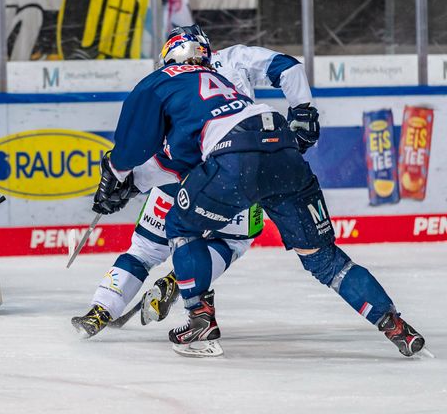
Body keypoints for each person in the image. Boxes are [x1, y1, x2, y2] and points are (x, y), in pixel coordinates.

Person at [86, 26, 425, 357]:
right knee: (323, 259)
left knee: (180, 225)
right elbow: (287, 67)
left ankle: (199, 315)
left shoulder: (160, 81)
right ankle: (394, 324)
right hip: (281, 145)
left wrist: (118, 179)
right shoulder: (222, 78)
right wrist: (303, 111)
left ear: (168, 57)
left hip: (233, 160)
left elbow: (142, 150)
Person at [72, 24, 315, 340]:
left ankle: (101, 308)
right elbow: (289, 67)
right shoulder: (233, 59)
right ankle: (180, 278)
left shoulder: (167, 79)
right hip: (237, 174)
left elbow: (166, 151)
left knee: (145, 249)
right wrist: (303, 110)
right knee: (232, 243)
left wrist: (128, 183)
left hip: (176, 177)